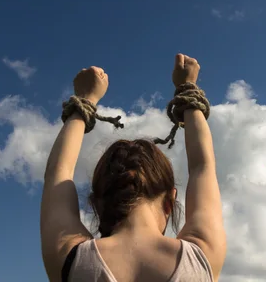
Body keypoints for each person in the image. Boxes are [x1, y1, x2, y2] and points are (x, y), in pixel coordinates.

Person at [39, 54, 227, 282]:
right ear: (170, 202)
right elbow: (202, 166)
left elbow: (58, 174)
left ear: (96, 204)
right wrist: (188, 87)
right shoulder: (201, 257)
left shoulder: (70, 259)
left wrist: (85, 99)